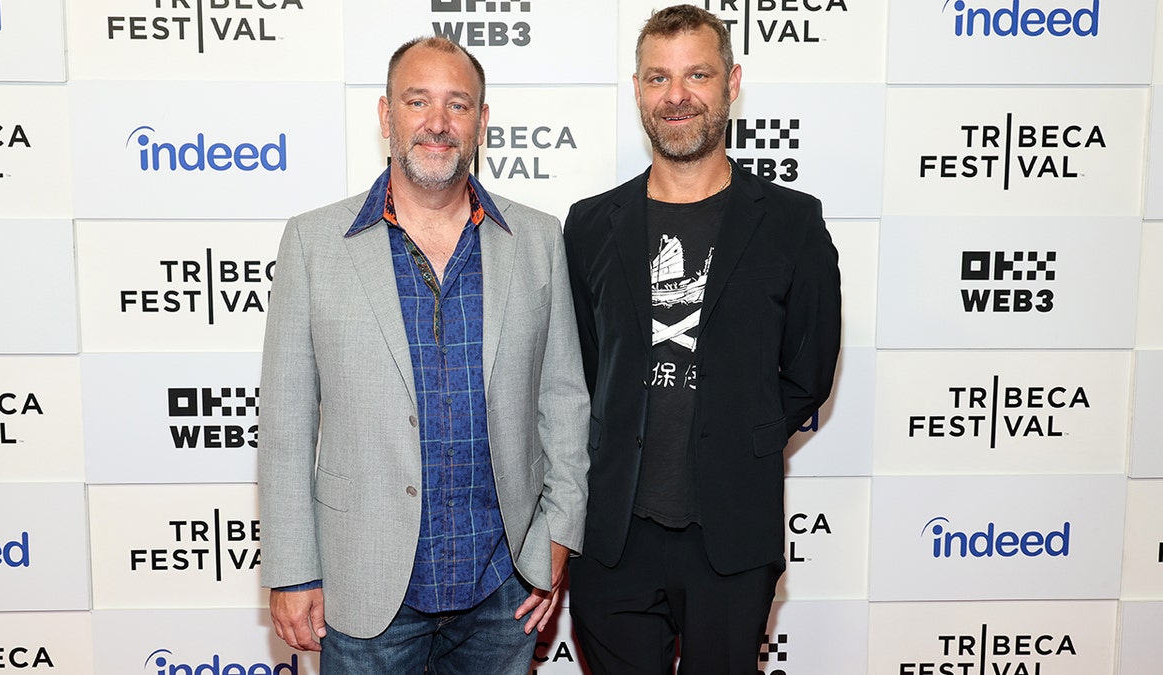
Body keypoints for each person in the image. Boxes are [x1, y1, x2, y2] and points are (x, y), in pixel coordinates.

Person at [257, 36, 590, 674]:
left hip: (502, 587)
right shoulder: (313, 243)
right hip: (363, 591)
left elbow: (565, 399)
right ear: (387, 116)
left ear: (481, 123)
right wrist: (294, 569)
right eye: (418, 101)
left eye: (457, 105)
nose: (437, 123)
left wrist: (558, 533)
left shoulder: (538, 239)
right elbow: (286, 424)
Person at [562, 5, 841, 673]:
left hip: (732, 535)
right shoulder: (591, 224)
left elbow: (808, 370)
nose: (677, 95)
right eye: (658, 78)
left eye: (697, 75)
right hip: (612, 539)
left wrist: (742, 435)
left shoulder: (792, 223)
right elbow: (577, 370)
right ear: (637, 91)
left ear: (732, 83)